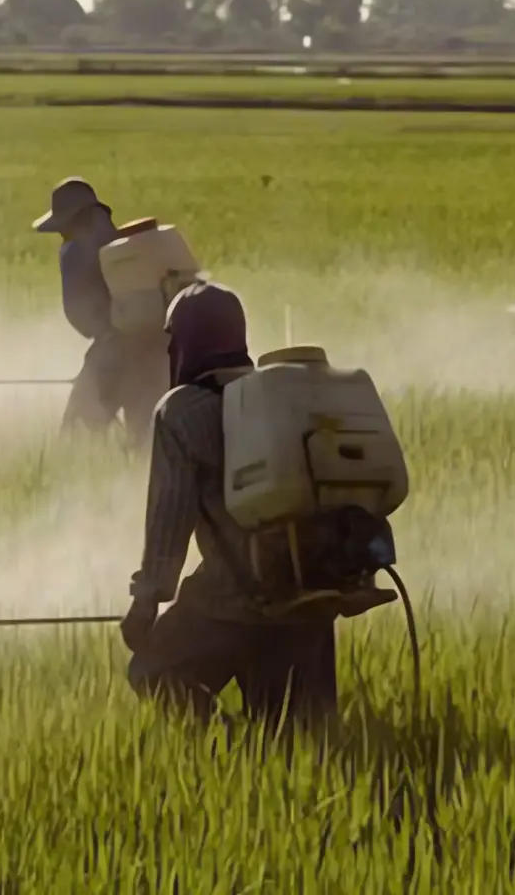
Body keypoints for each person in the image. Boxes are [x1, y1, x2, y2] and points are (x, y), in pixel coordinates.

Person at [117, 280, 342, 730]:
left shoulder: (182, 411)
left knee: (152, 672)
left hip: (231, 598)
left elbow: (169, 520)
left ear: (184, 344)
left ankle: (227, 747)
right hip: (312, 594)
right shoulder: (284, 397)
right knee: (301, 740)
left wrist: (147, 600)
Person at [32, 177, 171, 450]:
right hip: (161, 349)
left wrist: (100, 361)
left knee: (76, 438)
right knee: (147, 442)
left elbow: (81, 315)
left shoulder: (75, 252)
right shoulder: (124, 246)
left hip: (114, 351)